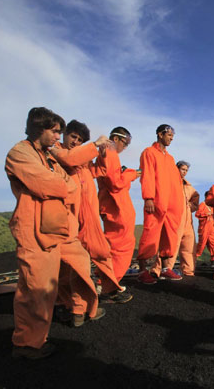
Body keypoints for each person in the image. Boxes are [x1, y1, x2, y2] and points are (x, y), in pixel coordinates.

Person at [5, 107, 104, 359]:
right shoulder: (19, 153)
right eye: (56, 132)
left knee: (80, 264)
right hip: (33, 231)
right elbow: (47, 184)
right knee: (36, 289)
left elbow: (70, 187)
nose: (60, 137)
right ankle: (28, 344)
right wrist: (61, 186)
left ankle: (79, 310)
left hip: (58, 228)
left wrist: (61, 186)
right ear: (40, 128)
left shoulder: (49, 157)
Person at [51, 120, 132, 305]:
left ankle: (108, 289)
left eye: (79, 139)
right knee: (68, 258)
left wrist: (103, 154)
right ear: (65, 134)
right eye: (73, 136)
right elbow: (69, 159)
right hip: (69, 211)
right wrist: (95, 146)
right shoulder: (57, 150)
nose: (75, 141)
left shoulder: (83, 157)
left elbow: (100, 170)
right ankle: (69, 302)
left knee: (100, 250)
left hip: (89, 210)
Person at [136, 124, 185, 283]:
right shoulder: (149, 153)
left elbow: (176, 182)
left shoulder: (170, 159)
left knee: (169, 235)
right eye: (169, 134)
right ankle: (142, 271)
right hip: (156, 201)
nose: (171, 137)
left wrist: (178, 202)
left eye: (172, 135)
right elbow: (147, 175)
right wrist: (148, 197)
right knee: (150, 234)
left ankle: (165, 269)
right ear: (159, 134)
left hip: (171, 204)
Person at [96, 127, 140, 284]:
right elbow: (115, 184)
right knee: (121, 248)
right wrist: (131, 174)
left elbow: (113, 179)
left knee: (114, 246)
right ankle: (108, 284)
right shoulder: (109, 152)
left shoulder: (108, 154)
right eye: (125, 142)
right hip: (115, 208)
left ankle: (105, 280)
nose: (126, 147)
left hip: (114, 206)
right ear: (115, 139)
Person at [171, 160, 200, 276]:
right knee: (171, 245)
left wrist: (190, 206)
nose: (185, 172)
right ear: (176, 169)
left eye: (186, 170)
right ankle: (161, 270)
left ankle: (188, 271)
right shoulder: (171, 182)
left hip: (188, 221)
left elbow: (195, 201)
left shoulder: (189, 186)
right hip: (175, 218)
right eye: (183, 169)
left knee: (189, 247)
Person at [195, 193, 214, 265]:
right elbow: (197, 214)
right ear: (206, 197)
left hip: (211, 227)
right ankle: (195, 257)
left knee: (212, 243)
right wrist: (206, 214)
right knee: (202, 243)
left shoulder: (212, 206)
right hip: (204, 227)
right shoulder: (202, 204)